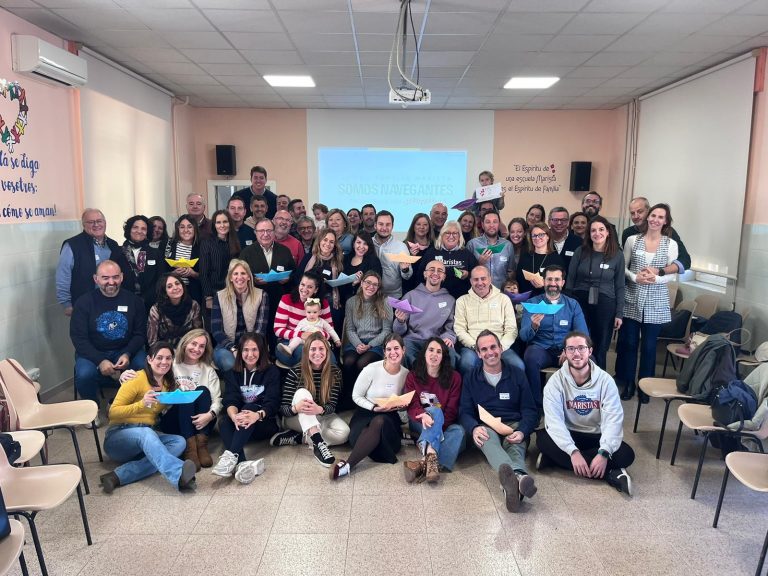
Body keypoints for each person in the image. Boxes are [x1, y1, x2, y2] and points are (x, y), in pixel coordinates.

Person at [536, 332, 635, 496]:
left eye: (581, 348)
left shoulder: (606, 381)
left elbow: (613, 420)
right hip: (570, 433)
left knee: (626, 454)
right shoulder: (555, 382)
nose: (576, 353)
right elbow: (554, 422)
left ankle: (555, 460)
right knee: (542, 440)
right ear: (565, 353)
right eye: (571, 349)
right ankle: (611, 473)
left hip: (596, 436)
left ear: (590, 351)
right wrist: (573, 452)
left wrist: (604, 453)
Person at [99, 341, 196, 494]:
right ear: (150, 359)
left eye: (168, 358)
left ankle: (117, 476)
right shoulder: (136, 378)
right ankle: (178, 474)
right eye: (159, 358)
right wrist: (141, 404)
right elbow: (112, 412)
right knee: (146, 433)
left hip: (146, 435)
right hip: (119, 437)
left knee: (179, 442)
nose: (164, 362)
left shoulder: (168, 384)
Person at [459, 330, 538, 512]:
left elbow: (530, 410)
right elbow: (464, 412)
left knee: (516, 447)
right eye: (484, 349)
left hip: (514, 425)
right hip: (487, 426)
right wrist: (473, 428)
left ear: (501, 348)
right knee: (486, 439)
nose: (490, 352)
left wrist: (523, 431)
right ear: (478, 354)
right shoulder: (471, 377)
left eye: (493, 347)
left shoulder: (517, 374)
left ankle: (512, 487)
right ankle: (519, 476)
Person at [615, 203, 679, 402]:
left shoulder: (671, 244)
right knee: (630, 344)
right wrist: (635, 278)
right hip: (632, 297)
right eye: (653, 215)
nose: (655, 220)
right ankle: (628, 383)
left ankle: (646, 386)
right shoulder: (633, 240)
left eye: (660, 217)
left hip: (656, 300)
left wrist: (656, 278)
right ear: (648, 217)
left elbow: (672, 274)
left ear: (665, 221)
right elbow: (623, 268)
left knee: (649, 346)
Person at [70, 260, 146, 418]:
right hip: (93, 351)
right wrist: (99, 360)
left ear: (122, 277)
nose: (111, 282)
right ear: (96, 279)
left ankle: (131, 405)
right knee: (84, 374)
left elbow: (140, 334)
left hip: (125, 349)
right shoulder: (83, 303)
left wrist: (127, 353)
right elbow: (79, 338)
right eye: (105, 278)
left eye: (115, 277)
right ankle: (92, 409)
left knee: (143, 366)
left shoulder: (134, 301)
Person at [329, 334, 409, 480]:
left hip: (389, 417)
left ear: (403, 350)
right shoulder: (371, 369)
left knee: (380, 421)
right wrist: (373, 407)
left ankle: (347, 466)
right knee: (360, 436)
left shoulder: (406, 374)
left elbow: (404, 405)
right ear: (384, 352)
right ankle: (367, 446)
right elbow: (356, 396)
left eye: (396, 348)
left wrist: (402, 406)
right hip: (366, 412)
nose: (393, 352)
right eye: (389, 349)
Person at [272, 333, 348, 466]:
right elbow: (284, 409)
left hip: (320, 414)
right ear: (307, 351)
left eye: (321, 349)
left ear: (327, 351)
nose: (317, 353)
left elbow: (332, 405)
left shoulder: (335, 372)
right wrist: (296, 408)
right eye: (313, 349)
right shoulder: (296, 371)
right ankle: (319, 444)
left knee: (344, 433)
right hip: (296, 417)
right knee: (302, 393)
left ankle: (300, 437)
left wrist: (319, 409)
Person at [519, 265, 588, 410]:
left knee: (589, 359)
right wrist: (534, 326)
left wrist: (570, 350)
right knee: (530, 357)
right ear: (543, 281)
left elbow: (582, 334)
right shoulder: (532, 304)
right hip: (541, 350)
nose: (553, 283)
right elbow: (524, 336)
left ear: (563, 283)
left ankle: (576, 405)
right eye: (549, 279)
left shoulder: (573, 305)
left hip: (566, 350)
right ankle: (536, 407)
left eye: (557, 280)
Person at [213, 333, 280, 483]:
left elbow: (273, 402)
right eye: (246, 350)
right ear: (240, 351)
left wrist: (257, 415)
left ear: (261, 350)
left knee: (249, 407)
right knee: (224, 421)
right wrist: (233, 416)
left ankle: (231, 455)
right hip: (242, 426)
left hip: (264, 423)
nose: (250, 354)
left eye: (254, 349)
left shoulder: (272, 371)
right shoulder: (232, 373)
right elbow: (231, 399)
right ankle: (242, 464)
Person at [402, 337, 465, 482]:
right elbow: (412, 405)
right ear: (424, 353)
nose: (434, 354)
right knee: (435, 410)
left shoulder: (455, 378)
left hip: (444, 424)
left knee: (459, 431)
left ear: (443, 357)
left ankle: (425, 462)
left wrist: (437, 424)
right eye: (431, 350)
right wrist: (423, 415)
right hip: (419, 421)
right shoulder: (412, 376)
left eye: (439, 352)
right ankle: (432, 458)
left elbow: (451, 411)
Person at [565, 216, 625, 369]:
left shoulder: (617, 255)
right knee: (580, 342)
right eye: (593, 230)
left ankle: (599, 378)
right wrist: (568, 306)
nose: (597, 233)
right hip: (580, 302)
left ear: (608, 232)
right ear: (589, 233)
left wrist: (619, 313)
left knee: (601, 345)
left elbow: (620, 285)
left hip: (606, 304)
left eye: (601, 229)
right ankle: (577, 376)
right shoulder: (580, 251)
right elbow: (570, 279)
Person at [455, 265, 524, 375]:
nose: (480, 283)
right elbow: (460, 330)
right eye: (476, 279)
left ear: (490, 279)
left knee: (518, 366)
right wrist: (476, 347)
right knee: (466, 364)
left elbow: (511, 329)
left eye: (483, 278)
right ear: (471, 281)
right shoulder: (462, 301)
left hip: (500, 346)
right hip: (473, 347)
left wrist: (500, 347)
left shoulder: (504, 299)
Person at [240, 216, 295, 351]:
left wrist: (288, 278)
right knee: (258, 333)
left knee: (276, 332)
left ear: (274, 231)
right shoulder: (246, 252)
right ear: (255, 233)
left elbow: (294, 273)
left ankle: (275, 355)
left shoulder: (284, 251)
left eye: (269, 230)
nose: (265, 234)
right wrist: (252, 280)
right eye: (261, 231)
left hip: (279, 299)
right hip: (255, 300)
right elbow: (240, 276)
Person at [57, 208, 124, 316]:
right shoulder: (72, 246)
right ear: (83, 225)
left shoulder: (113, 245)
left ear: (105, 223)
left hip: (111, 302)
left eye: (99, 221)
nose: (96, 225)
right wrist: (66, 304)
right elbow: (63, 276)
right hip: (84, 304)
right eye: (91, 222)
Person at [341, 271, 392, 409]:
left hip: (376, 344)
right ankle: (348, 397)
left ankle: (361, 398)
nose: (371, 286)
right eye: (368, 282)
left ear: (378, 287)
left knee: (362, 363)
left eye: (375, 284)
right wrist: (358, 344)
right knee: (348, 362)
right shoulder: (351, 302)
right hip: (356, 342)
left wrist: (369, 345)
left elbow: (387, 331)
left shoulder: (385, 302)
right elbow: (350, 329)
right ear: (362, 283)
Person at [393, 259, 458, 368]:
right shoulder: (410, 296)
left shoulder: (450, 300)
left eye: (440, 271)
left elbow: (450, 327)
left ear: (444, 277)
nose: (435, 273)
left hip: (437, 341)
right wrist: (400, 321)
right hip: (413, 340)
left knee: (450, 353)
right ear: (425, 274)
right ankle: (415, 378)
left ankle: (444, 380)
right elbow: (397, 332)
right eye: (432, 269)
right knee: (404, 349)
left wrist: (449, 337)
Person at [211, 259, 269, 371]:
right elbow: (216, 331)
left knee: (259, 365)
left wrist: (248, 350)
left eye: (243, 273)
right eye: (235, 274)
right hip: (226, 345)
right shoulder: (219, 296)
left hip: (253, 344)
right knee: (231, 364)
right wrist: (233, 348)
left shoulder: (262, 295)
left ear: (248, 277)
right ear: (230, 278)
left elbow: (260, 330)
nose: (239, 277)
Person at [273, 271, 333, 366]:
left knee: (331, 360)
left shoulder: (323, 304)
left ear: (316, 289)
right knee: (305, 355)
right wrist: (301, 334)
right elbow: (277, 330)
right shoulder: (286, 299)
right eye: (302, 284)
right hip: (288, 342)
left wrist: (315, 336)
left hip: (317, 342)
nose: (304, 289)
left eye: (310, 287)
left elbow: (330, 332)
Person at [621, 196, 691, 272]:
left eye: (640, 212)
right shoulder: (628, 234)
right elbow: (626, 264)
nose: (636, 216)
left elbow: (685, 260)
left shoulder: (668, 232)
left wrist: (661, 272)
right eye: (632, 213)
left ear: (648, 211)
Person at [295, 228, 345, 330]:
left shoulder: (338, 260)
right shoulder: (309, 257)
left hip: (329, 299)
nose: (328, 244)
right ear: (319, 241)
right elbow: (298, 278)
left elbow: (342, 282)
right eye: (325, 240)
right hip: (309, 298)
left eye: (331, 242)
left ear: (335, 245)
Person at [416, 220, 476, 300]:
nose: (451, 236)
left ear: (459, 236)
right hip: (435, 298)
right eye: (447, 233)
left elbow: (476, 274)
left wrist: (467, 274)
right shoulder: (431, 252)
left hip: (461, 299)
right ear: (442, 235)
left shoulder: (467, 254)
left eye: (455, 233)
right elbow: (420, 275)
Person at [200, 210, 240, 318]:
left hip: (233, 292)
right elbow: (203, 273)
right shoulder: (207, 243)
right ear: (214, 225)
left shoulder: (235, 241)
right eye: (218, 222)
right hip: (214, 294)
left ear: (229, 223)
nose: (222, 225)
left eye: (225, 222)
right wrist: (208, 297)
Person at [147, 272, 203, 347]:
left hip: (188, 348)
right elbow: (152, 341)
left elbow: (198, 334)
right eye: (169, 286)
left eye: (177, 283)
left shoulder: (193, 305)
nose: (175, 288)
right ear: (164, 292)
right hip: (165, 350)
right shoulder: (156, 309)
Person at [119, 214, 162, 312]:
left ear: (147, 232)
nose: (139, 231)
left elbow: (161, 279)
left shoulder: (156, 254)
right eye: (135, 227)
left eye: (143, 229)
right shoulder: (118, 252)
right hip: (124, 302)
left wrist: (146, 298)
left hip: (150, 304)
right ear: (129, 229)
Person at [277, 297, 341, 357]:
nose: (311, 314)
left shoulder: (322, 322)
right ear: (305, 312)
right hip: (305, 341)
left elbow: (330, 330)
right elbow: (296, 331)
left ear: (319, 312)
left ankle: (324, 356)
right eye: (309, 312)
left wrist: (337, 340)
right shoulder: (302, 322)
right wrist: (297, 337)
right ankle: (290, 348)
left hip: (318, 341)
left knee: (325, 344)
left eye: (315, 312)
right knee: (297, 339)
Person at [467, 210, 514, 289]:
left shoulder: (507, 245)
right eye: (488, 222)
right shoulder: (472, 245)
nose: (491, 225)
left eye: (495, 222)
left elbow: (511, 272)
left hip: (501, 293)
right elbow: (467, 274)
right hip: (479, 292)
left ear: (499, 224)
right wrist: (478, 264)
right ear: (482, 225)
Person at [515, 222, 565, 296]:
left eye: (541, 235)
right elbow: (518, 280)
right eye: (534, 236)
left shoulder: (556, 259)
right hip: (527, 299)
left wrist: (544, 285)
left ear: (548, 237)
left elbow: (560, 285)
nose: (537, 238)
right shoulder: (525, 257)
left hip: (548, 299)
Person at [372, 210, 413, 298]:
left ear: (392, 226)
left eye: (388, 224)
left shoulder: (401, 247)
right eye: (381, 224)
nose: (384, 228)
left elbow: (407, 276)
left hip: (393, 296)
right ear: (375, 225)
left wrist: (405, 270)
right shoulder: (367, 244)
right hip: (370, 294)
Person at [165, 214, 203, 305]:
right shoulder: (169, 244)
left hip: (193, 294)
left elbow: (207, 275)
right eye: (182, 227)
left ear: (195, 229)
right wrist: (173, 274)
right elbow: (160, 272)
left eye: (189, 227)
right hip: (170, 295)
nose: (186, 230)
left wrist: (193, 273)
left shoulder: (202, 247)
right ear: (178, 229)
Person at [341, 231, 382, 301]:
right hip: (344, 300)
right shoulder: (345, 258)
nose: (362, 246)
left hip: (365, 301)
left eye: (365, 244)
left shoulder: (374, 261)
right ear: (353, 244)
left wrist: (361, 281)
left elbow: (377, 284)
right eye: (358, 242)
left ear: (369, 246)